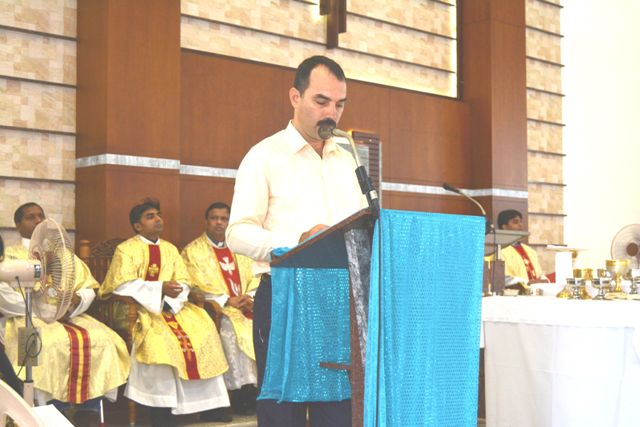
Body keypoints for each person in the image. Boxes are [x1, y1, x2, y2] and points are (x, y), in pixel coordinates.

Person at [226, 55, 366, 427]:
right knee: (282, 413)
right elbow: (236, 232)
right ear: (295, 97)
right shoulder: (264, 156)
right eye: (321, 101)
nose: (332, 113)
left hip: (340, 300)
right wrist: (296, 243)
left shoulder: (348, 160)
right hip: (286, 296)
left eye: (339, 104)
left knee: (338, 412)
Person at [99, 198, 230, 427]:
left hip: (173, 308)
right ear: (137, 226)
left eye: (159, 214)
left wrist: (171, 300)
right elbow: (120, 284)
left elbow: (184, 281)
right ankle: (159, 409)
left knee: (204, 330)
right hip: (138, 309)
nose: (158, 219)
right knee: (159, 341)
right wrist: (159, 289)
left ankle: (206, 406)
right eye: (150, 216)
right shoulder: (126, 249)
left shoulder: (170, 249)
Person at [0, 202, 130, 410]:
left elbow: (88, 287)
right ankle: (38, 405)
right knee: (44, 345)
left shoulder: (64, 255)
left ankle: (90, 405)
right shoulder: (10, 256)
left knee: (104, 338)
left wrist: (78, 299)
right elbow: (5, 298)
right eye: (30, 217)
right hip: (26, 317)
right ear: (17, 225)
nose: (38, 220)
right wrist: (45, 309)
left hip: (70, 315)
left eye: (41, 215)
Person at [182, 201, 260, 417]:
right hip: (218, 309)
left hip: (247, 306)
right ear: (206, 221)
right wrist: (226, 300)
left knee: (263, 326)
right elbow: (193, 286)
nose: (219, 223)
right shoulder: (193, 251)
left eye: (224, 219)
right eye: (214, 218)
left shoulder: (240, 249)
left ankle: (257, 392)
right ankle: (240, 393)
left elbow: (256, 276)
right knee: (231, 329)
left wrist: (249, 297)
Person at [497, 209, 549, 286]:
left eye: (521, 221)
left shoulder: (530, 250)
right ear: (504, 226)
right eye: (515, 222)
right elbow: (501, 278)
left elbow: (539, 274)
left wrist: (544, 280)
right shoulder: (498, 250)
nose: (520, 225)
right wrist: (527, 282)